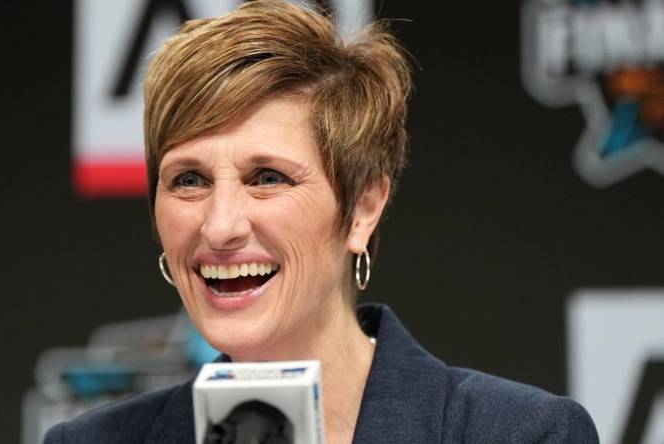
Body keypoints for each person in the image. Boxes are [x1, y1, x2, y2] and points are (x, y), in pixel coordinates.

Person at [44, 1, 599, 443]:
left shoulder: (520, 434)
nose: (219, 228)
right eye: (188, 180)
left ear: (362, 207)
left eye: (267, 177)